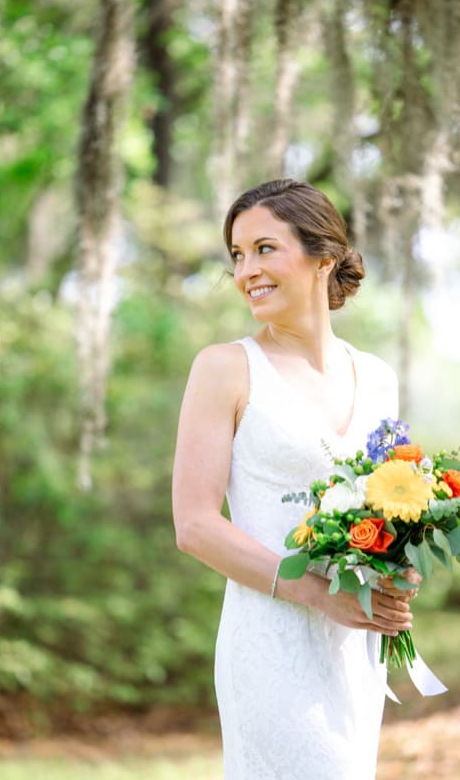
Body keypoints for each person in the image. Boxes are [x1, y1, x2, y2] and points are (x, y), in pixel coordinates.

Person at [171, 179, 418, 778]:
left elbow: (397, 503)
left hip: (355, 646)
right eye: (236, 254)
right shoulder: (225, 369)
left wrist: (400, 568)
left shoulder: (378, 377)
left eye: (264, 249)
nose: (245, 270)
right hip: (270, 638)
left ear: (322, 258)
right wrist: (314, 592)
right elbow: (195, 526)